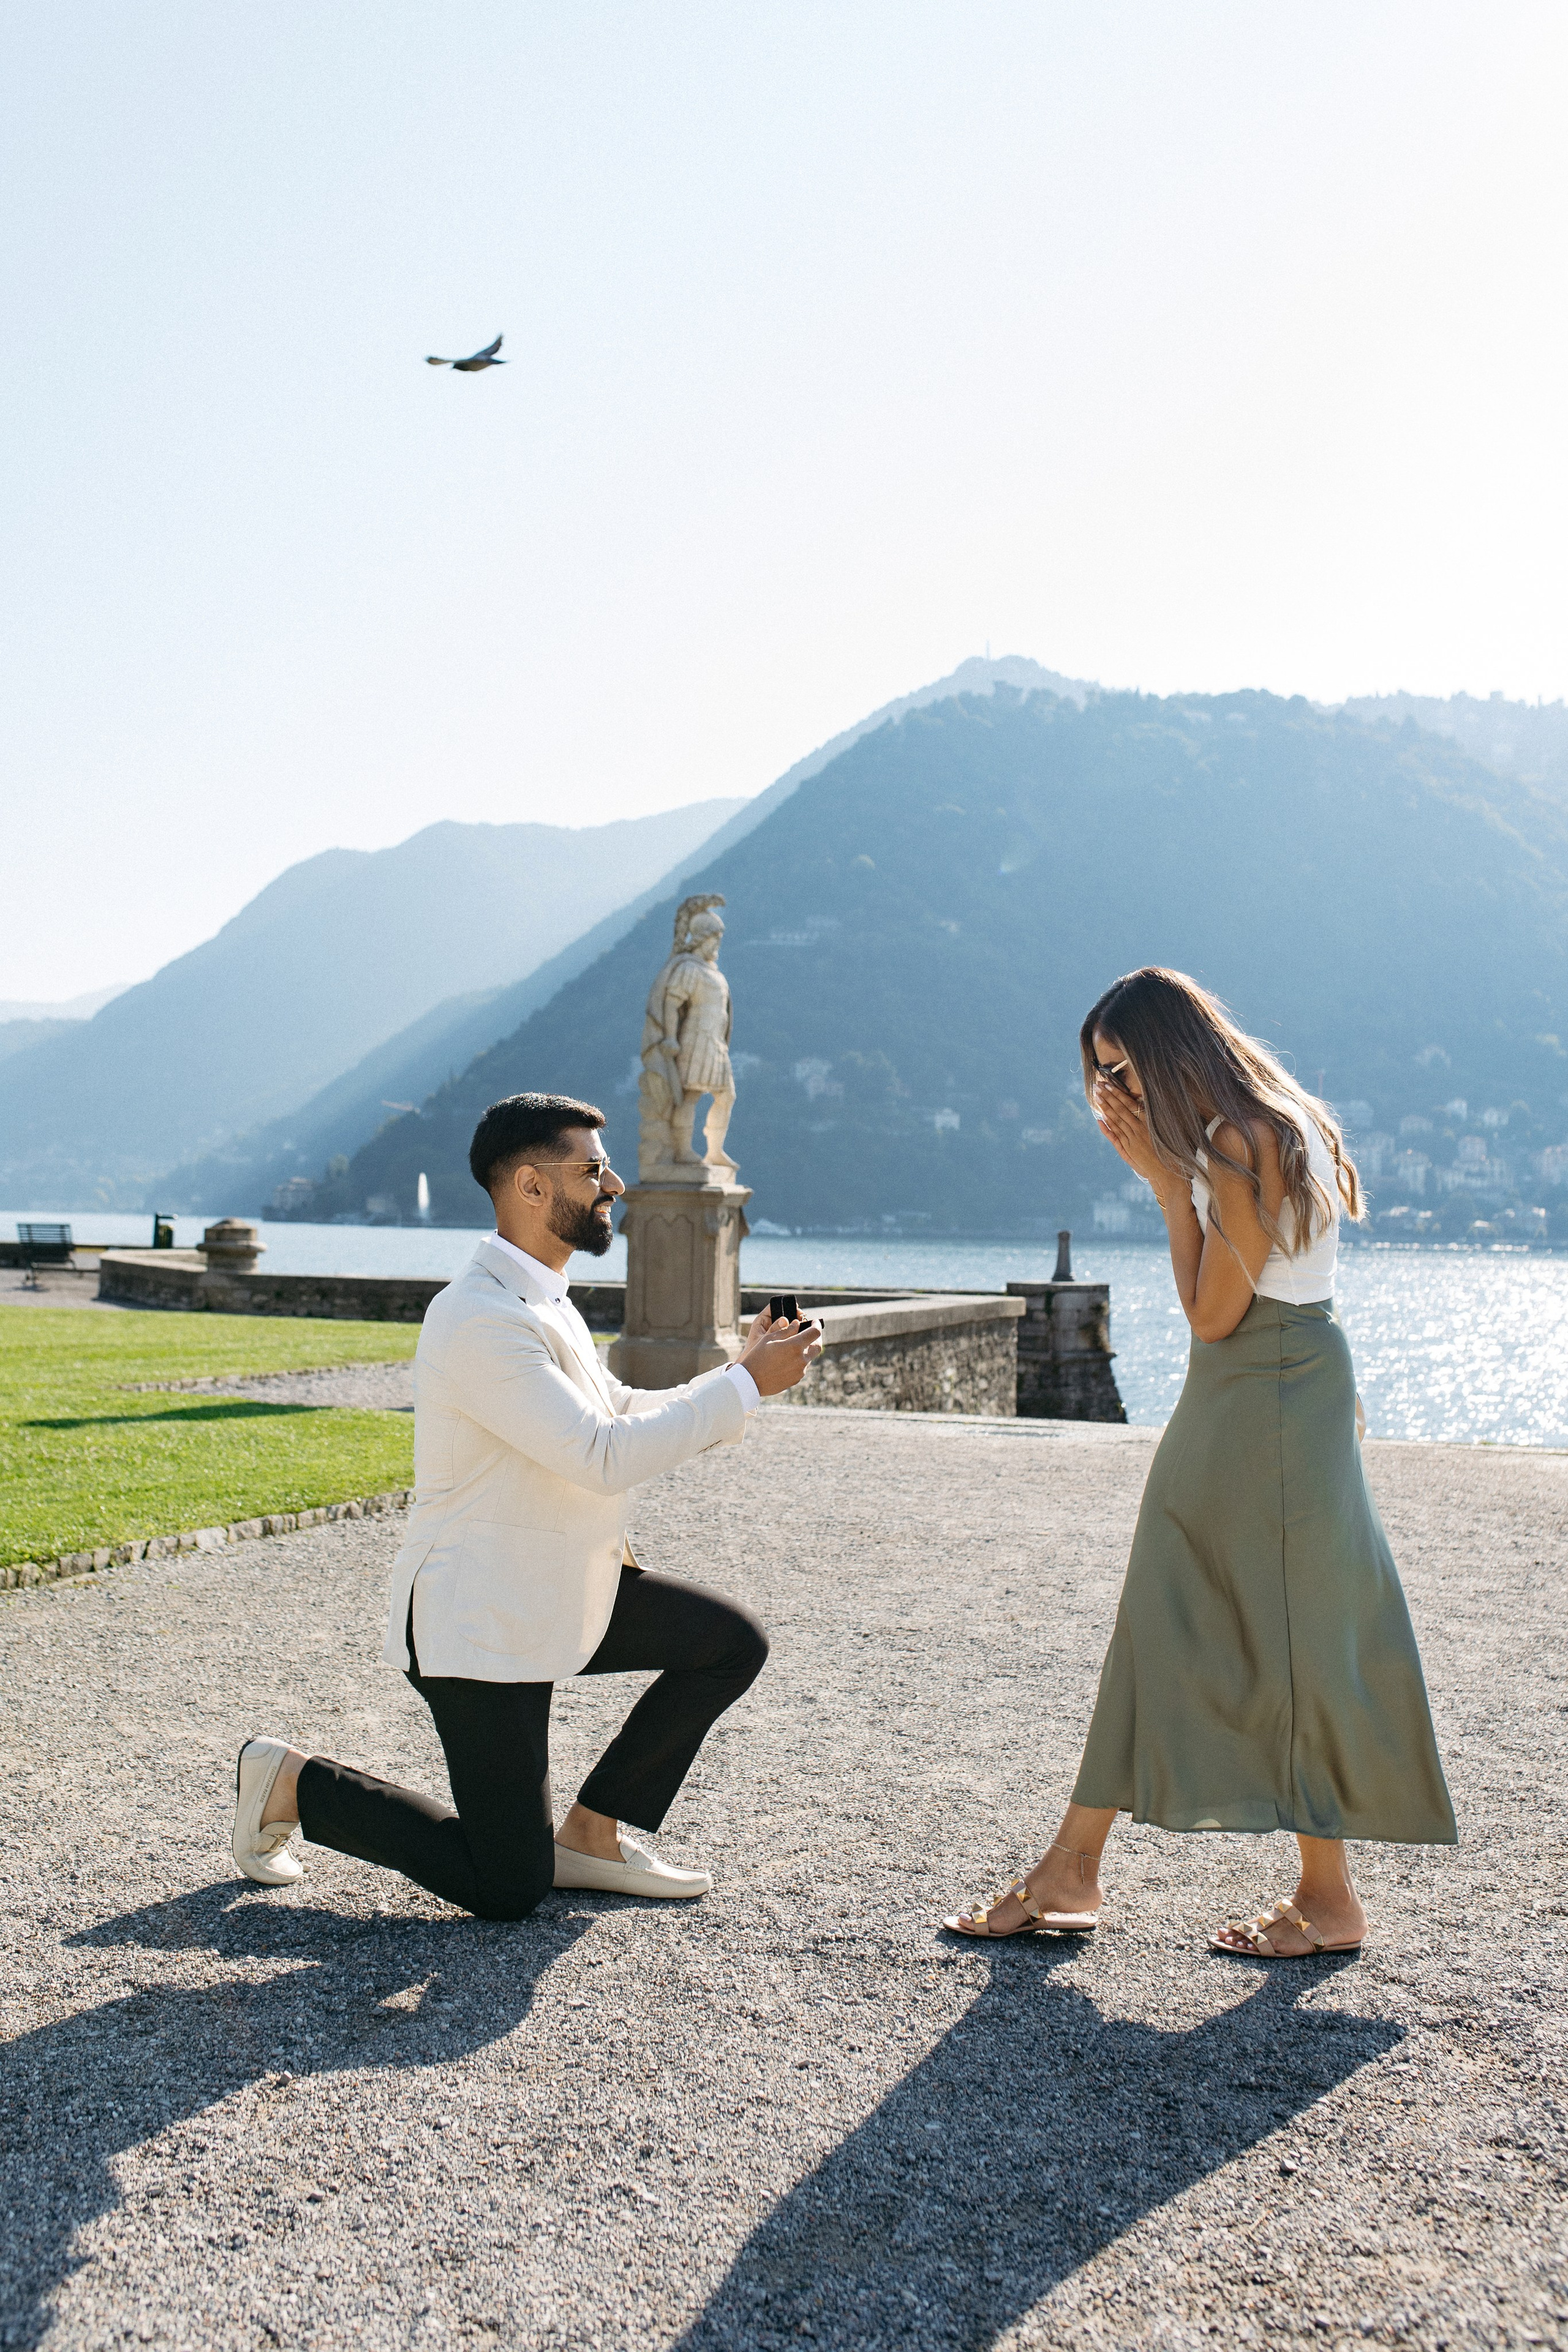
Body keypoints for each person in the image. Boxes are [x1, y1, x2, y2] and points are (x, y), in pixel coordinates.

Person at [946, 969, 1456, 1958]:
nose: (1116, 1094)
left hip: (1256, 1381)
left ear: (1169, 1049)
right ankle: (1101, 1870)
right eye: (1102, 1075)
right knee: (1235, 1617)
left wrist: (1157, 1190)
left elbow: (1212, 1313)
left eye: (1124, 1068)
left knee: (1232, 1620)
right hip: (1275, 1382)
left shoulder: (1232, 1142)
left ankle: (1132, 1876)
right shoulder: (1276, 1117)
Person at [231, 1091, 821, 1921]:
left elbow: (614, 1411)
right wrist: (741, 1386)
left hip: (554, 1588)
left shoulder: (544, 1300)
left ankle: (593, 1834)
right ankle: (292, 1782)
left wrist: (743, 1369)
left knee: (729, 1644)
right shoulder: (477, 1317)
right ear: (532, 1188)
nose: (614, 1183)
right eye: (593, 1169)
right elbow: (599, 1456)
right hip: (477, 1620)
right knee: (506, 1887)